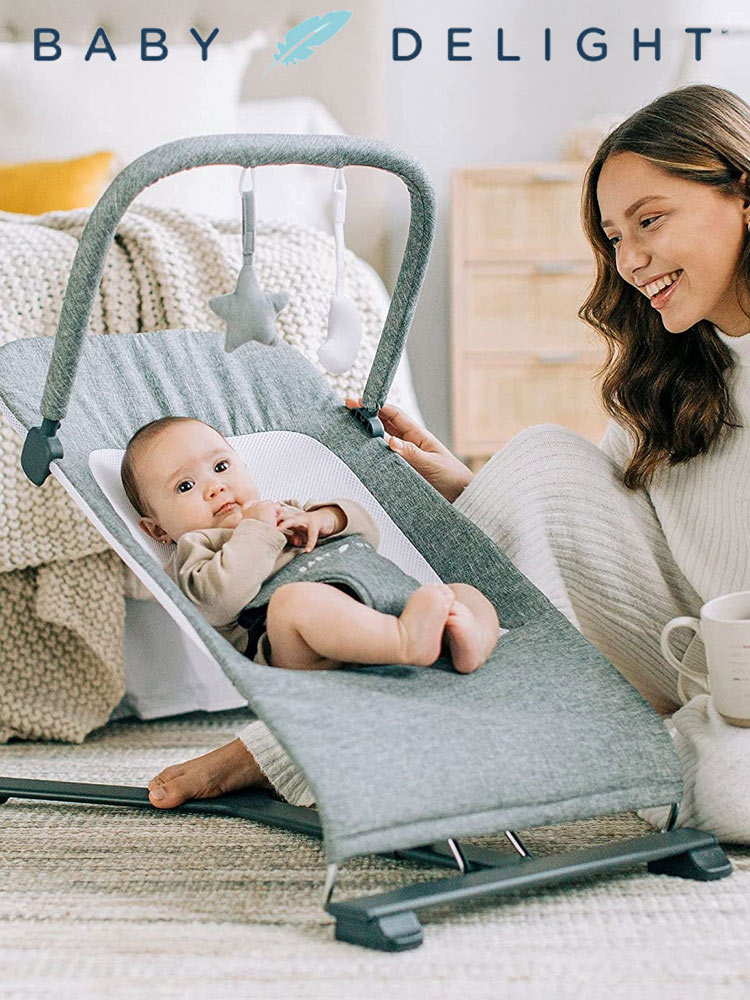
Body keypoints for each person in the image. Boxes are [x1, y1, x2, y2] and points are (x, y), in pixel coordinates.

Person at [147, 84, 750, 834]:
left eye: (649, 221)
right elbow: (607, 518)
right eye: (615, 237)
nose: (630, 261)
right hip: (694, 647)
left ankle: (578, 752)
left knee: (732, 790)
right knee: (536, 459)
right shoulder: (674, 366)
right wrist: (478, 492)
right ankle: (305, 744)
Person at [122, 416, 499, 677]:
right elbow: (217, 603)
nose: (214, 487)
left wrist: (326, 519)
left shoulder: (290, 511)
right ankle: (404, 642)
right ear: (157, 531)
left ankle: (472, 640)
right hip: (296, 646)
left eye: (220, 467)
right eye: (185, 486)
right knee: (294, 603)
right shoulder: (197, 547)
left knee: (462, 593)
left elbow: (368, 533)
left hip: (380, 599)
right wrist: (256, 531)